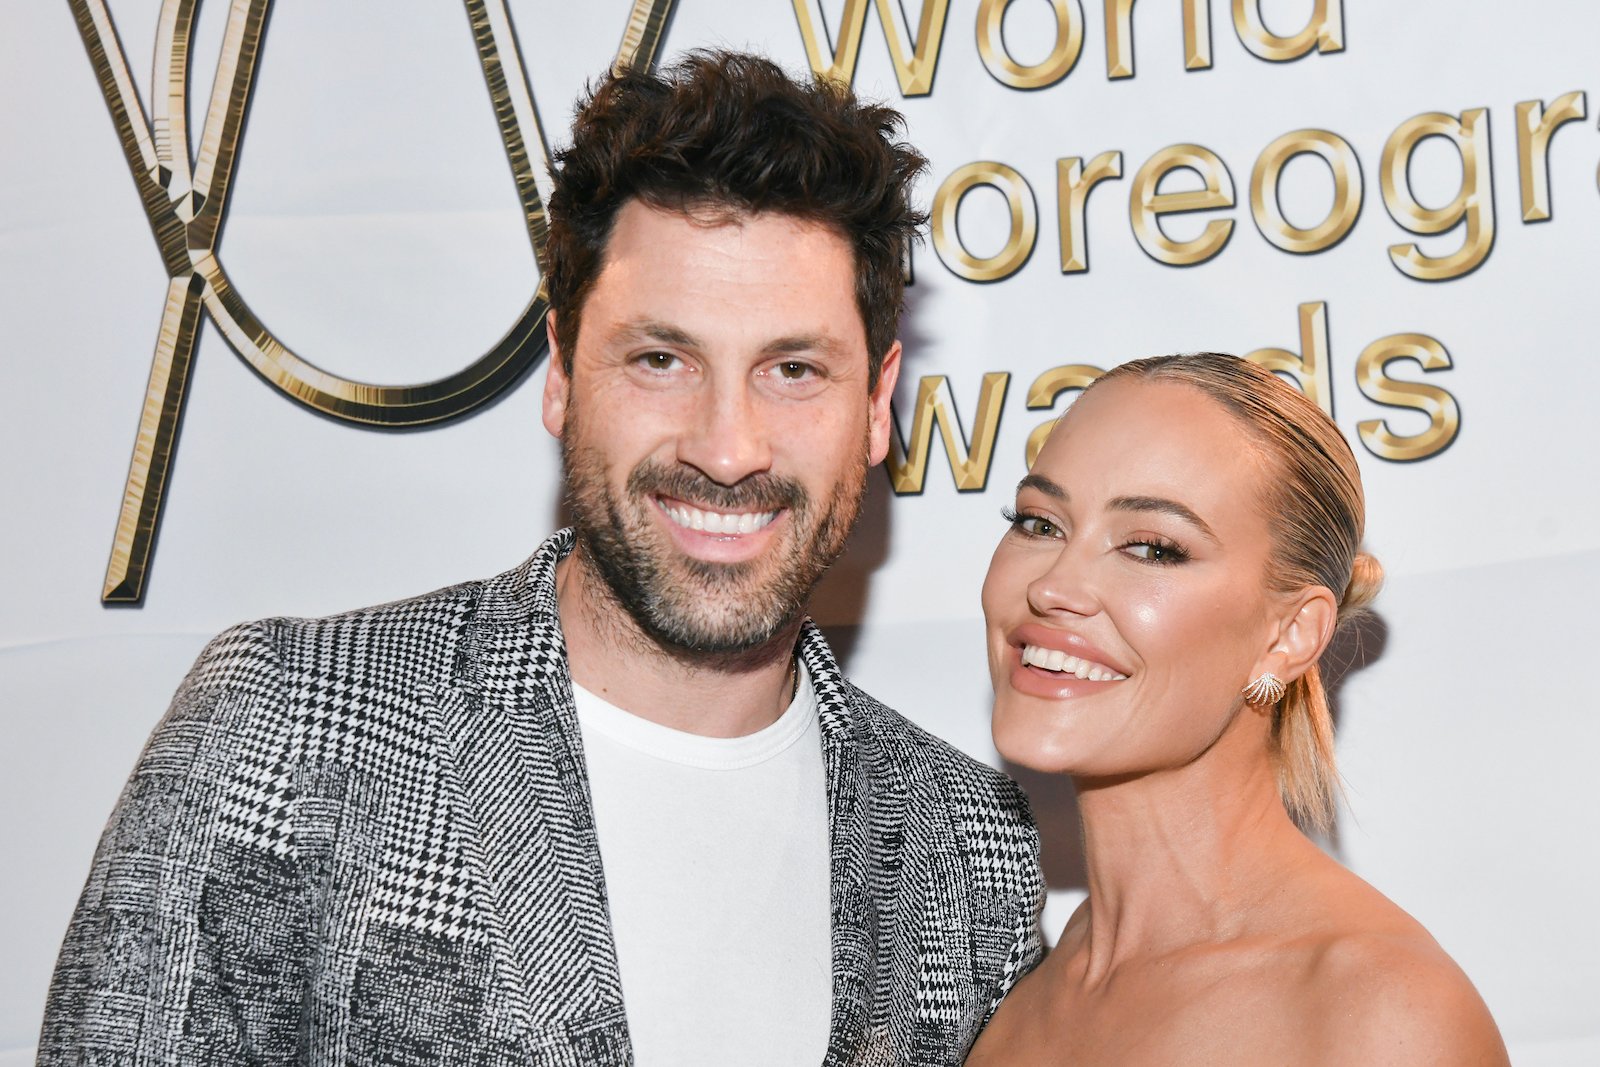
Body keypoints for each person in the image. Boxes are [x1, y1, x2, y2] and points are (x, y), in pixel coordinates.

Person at [40, 52, 1043, 1066]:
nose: (727, 446)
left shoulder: (968, 841)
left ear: (876, 403)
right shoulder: (290, 728)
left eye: (792, 369)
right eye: (662, 359)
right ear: (563, 371)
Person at [968, 353, 1508, 1066]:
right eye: (1039, 522)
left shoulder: (1377, 1011)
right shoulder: (1006, 1001)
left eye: (1154, 548)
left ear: (1287, 636)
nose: (1055, 586)